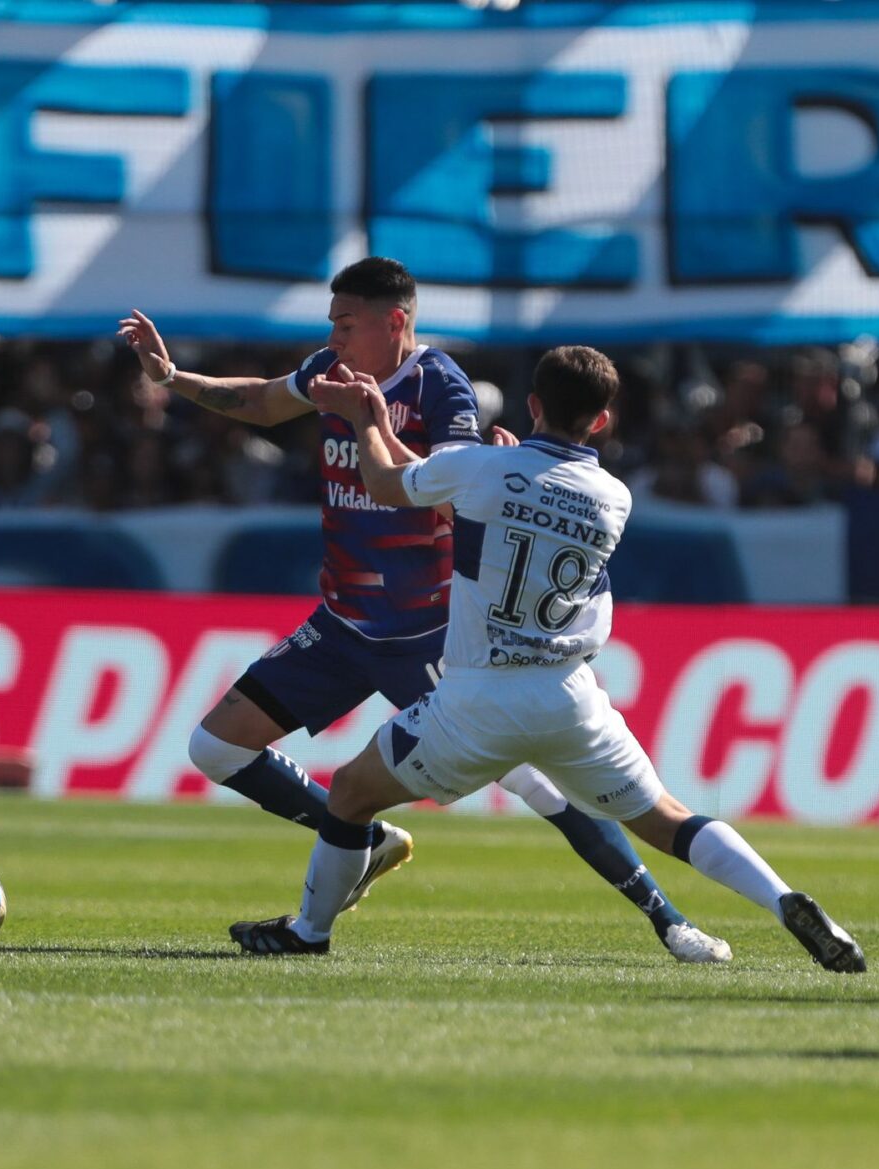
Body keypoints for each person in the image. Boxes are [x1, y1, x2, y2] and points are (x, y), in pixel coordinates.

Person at [119, 258, 729, 963]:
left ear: (395, 323)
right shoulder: (331, 368)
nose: (334, 336)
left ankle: (669, 919)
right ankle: (365, 840)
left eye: (346, 324)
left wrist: (368, 425)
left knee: (541, 786)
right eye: (332, 323)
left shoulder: (440, 385)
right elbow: (261, 402)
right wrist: (170, 378)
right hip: (345, 622)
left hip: (430, 635)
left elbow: (454, 490)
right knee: (215, 746)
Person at [228, 348, 866, 975]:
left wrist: (370, 422)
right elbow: (515, 500)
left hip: (480, 695)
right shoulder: (614, 497)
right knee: (669, 820)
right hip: (571, 696)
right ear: (602, 420)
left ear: (532, 405)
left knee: (349, 793)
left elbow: (388, 483)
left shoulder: (480, 470)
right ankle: (784, 900)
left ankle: (310, 932)